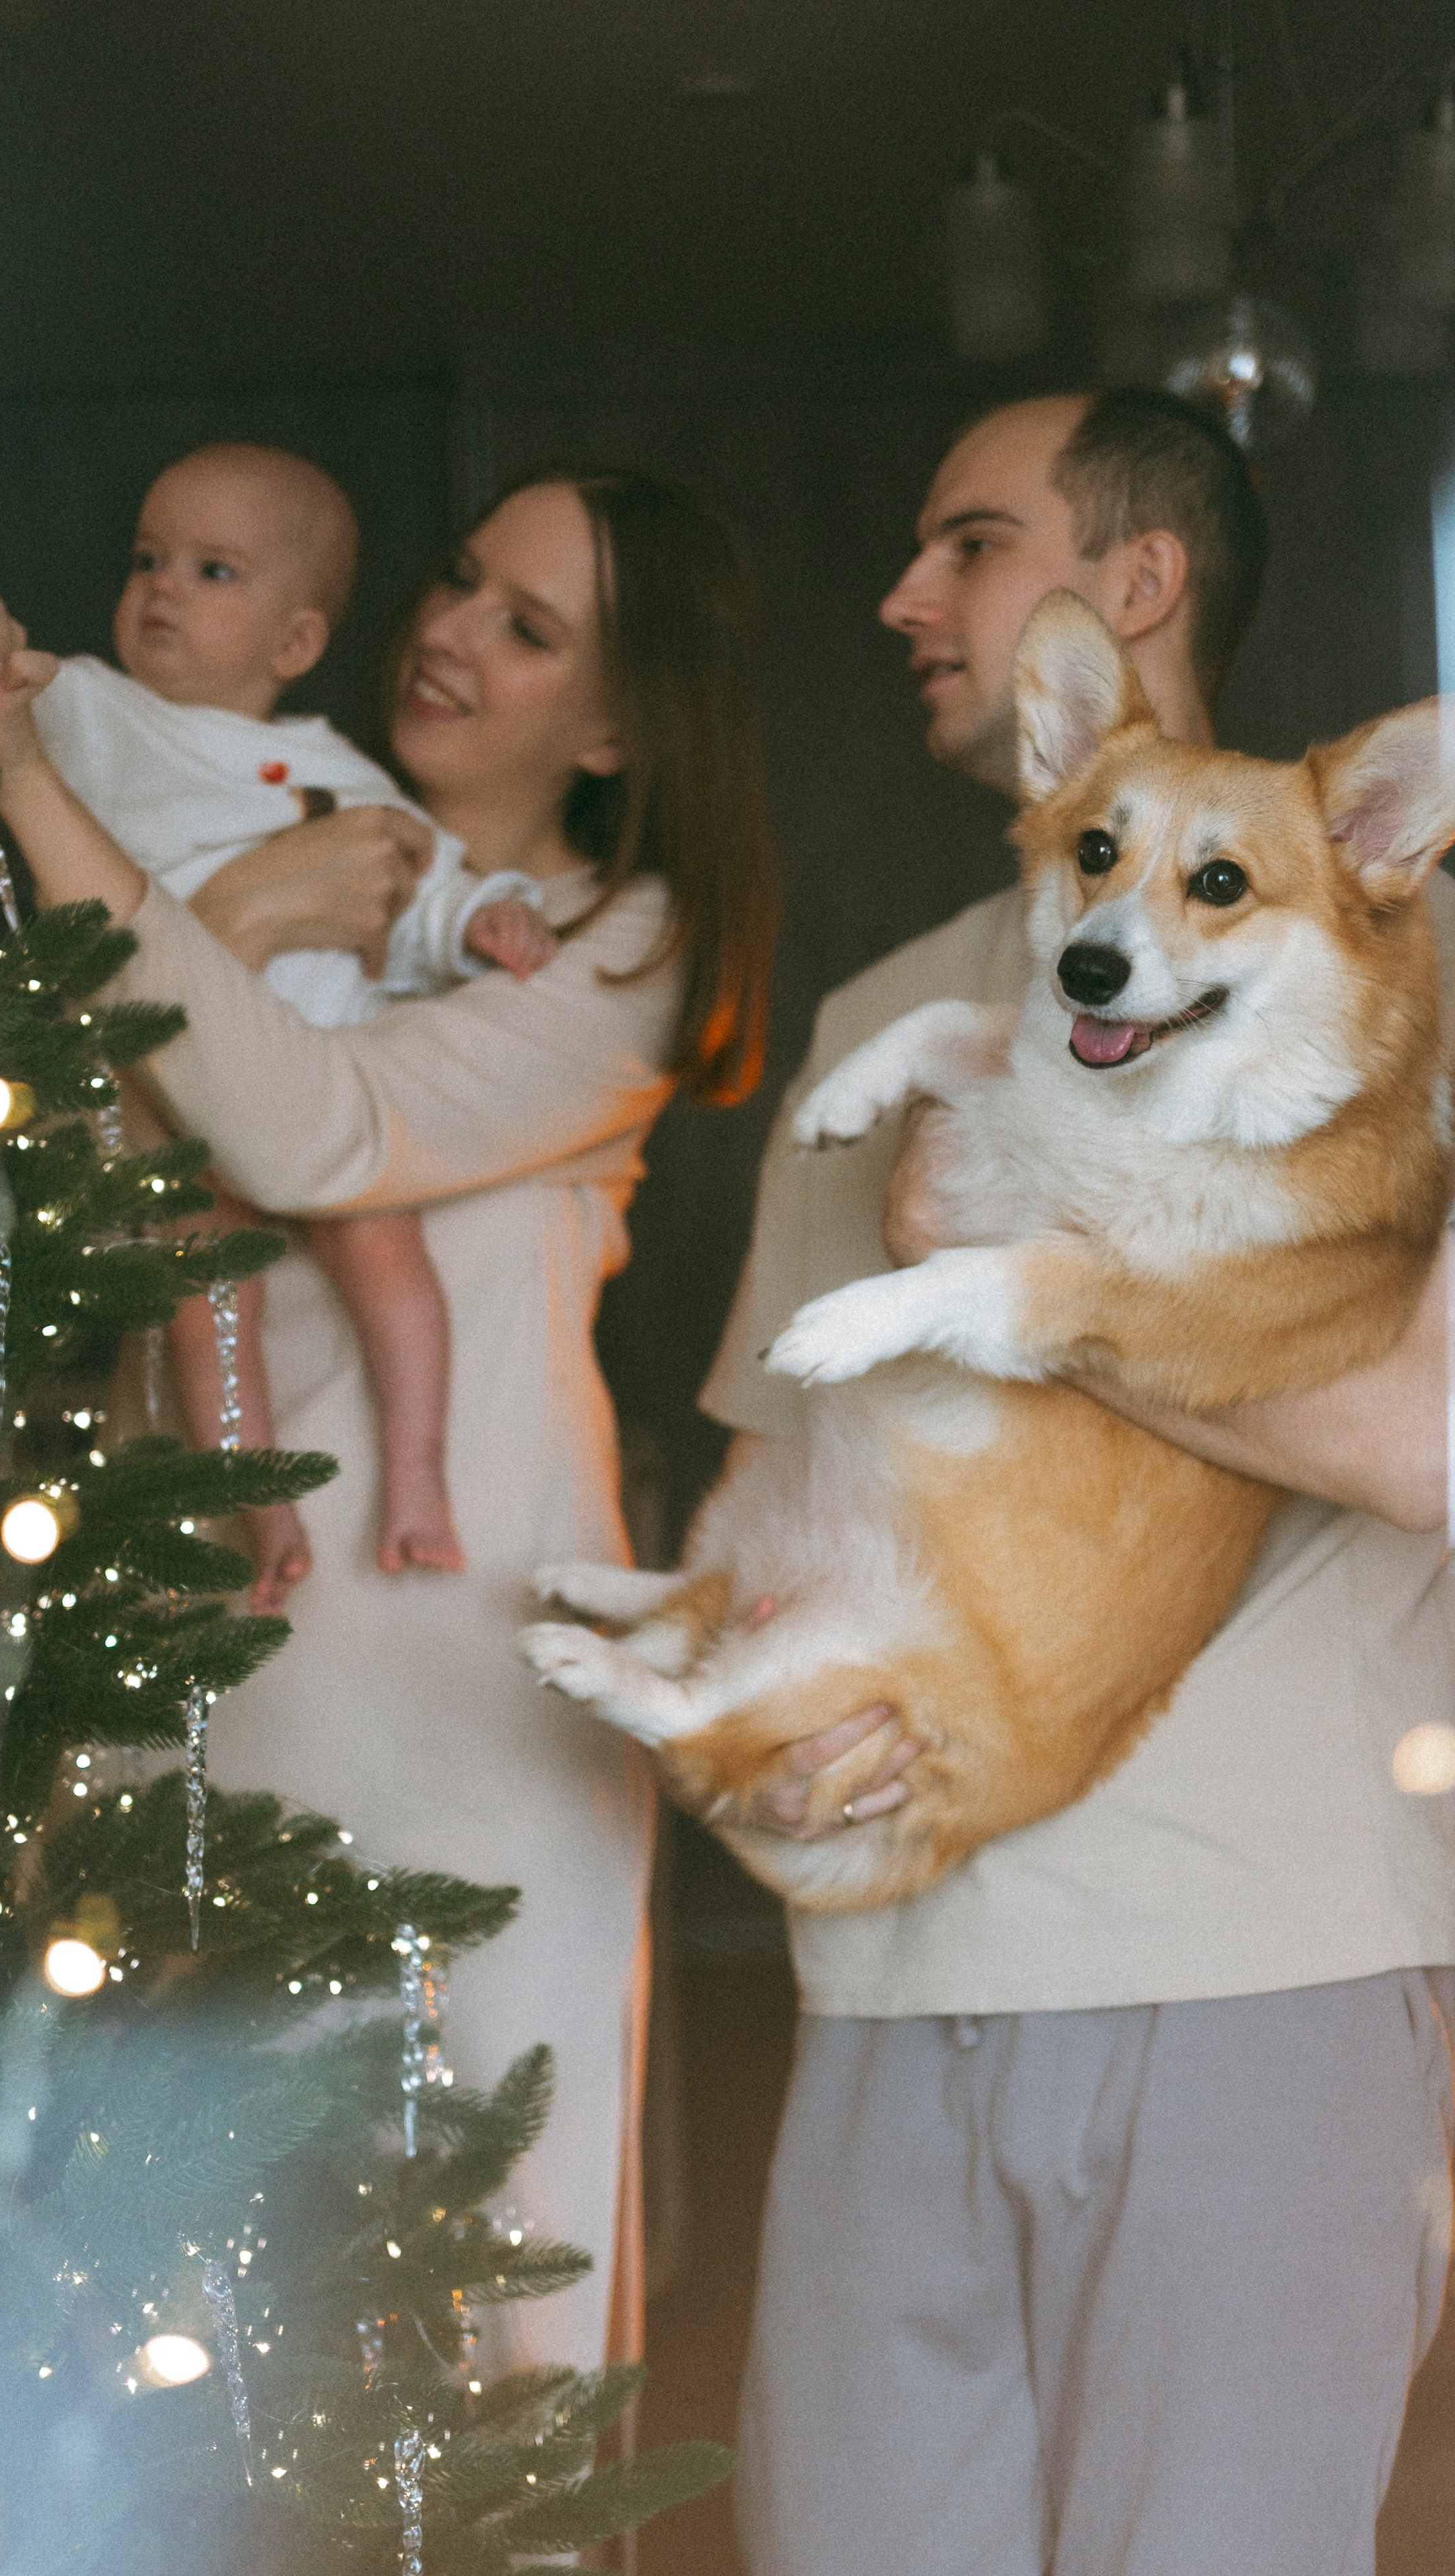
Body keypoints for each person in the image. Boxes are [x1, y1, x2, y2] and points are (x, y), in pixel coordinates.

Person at [0, 469, 777, 2374]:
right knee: (179, 2303)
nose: (451, 631)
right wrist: (250, 895)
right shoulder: (238, 796)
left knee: (490, 2285)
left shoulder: (617, 946)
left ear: (620, 723)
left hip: (460, 1656)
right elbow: (70, 1168)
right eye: (461, 577)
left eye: (528, 626)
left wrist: (167, 879)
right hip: (192, 1613)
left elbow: (307, 1124)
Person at [699, 390, 1455, 2575]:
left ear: (1132, 592)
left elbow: (1423, 1438)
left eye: (968, 543)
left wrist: (1032, 1284)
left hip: (1259, 1974)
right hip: (891, 1983)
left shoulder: (1420, 994)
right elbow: (766, 1505)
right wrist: (759, 1716)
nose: (901, 598)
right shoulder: (885, 1011)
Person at [0, 441, 560, 1598]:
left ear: (296, 642)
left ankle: (417, 1476)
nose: (162, 586)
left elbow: (423, 883)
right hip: (186, 1101)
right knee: (206, 1297)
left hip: (319, 1068)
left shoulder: (341, 770)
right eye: (149, 557)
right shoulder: (101, 712)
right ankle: (259, 1506)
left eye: (214, 571)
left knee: (387, 1254)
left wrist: (485, 919)